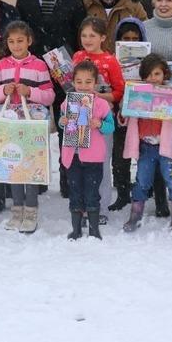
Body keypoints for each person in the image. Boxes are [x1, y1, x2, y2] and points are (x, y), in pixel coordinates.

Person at [15, 0, 87, 200]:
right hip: (34, 73)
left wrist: (76, 68)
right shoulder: (23, 0)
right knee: (35, 127)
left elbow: (80, 39)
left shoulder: (75, 1)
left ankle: (69, 179)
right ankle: (37, 178)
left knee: (71, 125)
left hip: (66, 72)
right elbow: (20, 35)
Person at [0, 21, 55, 233]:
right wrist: (3, 91)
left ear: (29, 41)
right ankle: (17, 210)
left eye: (20, 41)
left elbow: (49, 95)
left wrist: (31, 93)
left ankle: (31, 209)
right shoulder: (1, 65)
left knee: (30, 165)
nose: (16, 45)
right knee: (13, 163)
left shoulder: (39, 65)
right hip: (9, 122)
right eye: (11, 41)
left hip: (30, 124)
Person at [122, 54, 172, 233]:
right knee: (142, 181)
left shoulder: (171, 93)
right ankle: (135, 215)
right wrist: (126, 103)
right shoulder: (138, 92)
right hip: (146, 147)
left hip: (167, 147)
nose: (153, 79)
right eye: (148, 75)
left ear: (164, 75)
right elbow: (123, 120)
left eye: (157, 74)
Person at [72, 17, 125, 224]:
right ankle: (84, 204)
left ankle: (101, 207)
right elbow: (70, 83)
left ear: (103, 37)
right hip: (78, 116)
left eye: (92, 35)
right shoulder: (77, 56)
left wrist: (99, 97)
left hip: (102, 119)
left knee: (101, 163)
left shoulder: (110, 60)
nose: (87, 39)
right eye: (84, 35)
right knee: (82, 161)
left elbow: (119, 91)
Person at [60, 60, 113, 240]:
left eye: (88, 82)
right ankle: (76, 229)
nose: (83, 86)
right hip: (72, 156)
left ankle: (94, 228)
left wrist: (99, 124)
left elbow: (110, 127)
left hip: (93, 158)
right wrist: (63, 122)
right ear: (73, 82)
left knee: (92, 193)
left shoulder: (101, 105)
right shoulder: (67, 103)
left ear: (95, 83)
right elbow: (62, 122)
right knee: (75, 192)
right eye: (79, 82)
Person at [108, 17, 148, 212]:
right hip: (121, 112)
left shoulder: (149, 61)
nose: (131, 42)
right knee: (120, 154)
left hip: (143, 113)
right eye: (126, 38)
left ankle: (145, 189)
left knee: (146, 153)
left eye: (135, 38)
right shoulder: (112, 60)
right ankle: (122, 192)